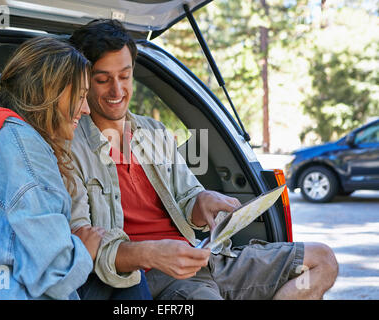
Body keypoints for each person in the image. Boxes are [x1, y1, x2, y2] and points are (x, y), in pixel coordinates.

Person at [69, 19, 339, 300]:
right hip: (155, 277)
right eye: (103, 80)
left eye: (124, 76)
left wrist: (203, 202)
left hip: (205, 257)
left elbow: (188, 196)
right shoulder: (70, 148)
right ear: (82, 81)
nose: (117, 90)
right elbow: (85, 246)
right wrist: (152, 253)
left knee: (320, 261)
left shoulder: (154, 132)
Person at [0, 37, 105, 300]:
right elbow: (56, 273)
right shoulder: (26, 151)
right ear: (51, 92)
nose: (85, 109)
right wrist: (85, 250)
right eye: (81, 96)